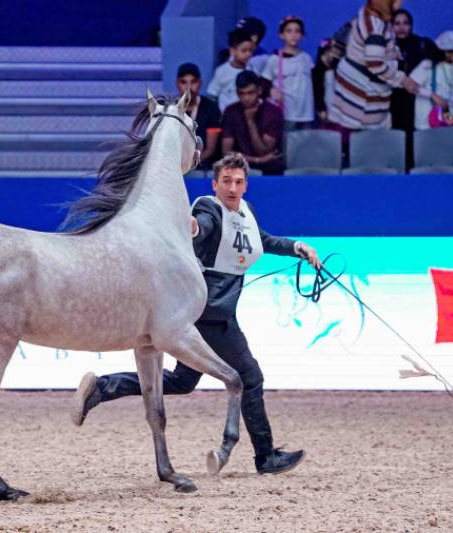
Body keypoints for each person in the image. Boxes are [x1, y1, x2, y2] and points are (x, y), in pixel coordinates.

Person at [72, 152, 322, 475]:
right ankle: (265, 457)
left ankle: (104, 388)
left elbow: (261, 241)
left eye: (239, 182)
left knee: (181, 381)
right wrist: (190, 227)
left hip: (208, 314)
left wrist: (298, 248)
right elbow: (201, 229)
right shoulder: (209, 210)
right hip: (210, 316)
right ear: (215, 184)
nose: (233, 187)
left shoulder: (244, 213)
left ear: (246, 185)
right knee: (250, 377)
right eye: (227, 181)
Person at [333, 0, 421, 130]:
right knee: (366, 138)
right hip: (362, 92)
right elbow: (376, 65)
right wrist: (403, 80)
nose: (401, 3)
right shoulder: (375, 28)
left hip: (363, 86)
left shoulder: (373, 14)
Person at [409, 31, 453, 130]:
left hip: (448, 118)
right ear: (447, 53)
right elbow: (411, 85)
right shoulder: (428, 65)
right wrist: (432, 95)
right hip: (425, 122)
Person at [221, 71, 285, 175]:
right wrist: (257, 160)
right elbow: (226, 152)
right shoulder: (231, 111)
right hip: (239, 166)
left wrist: (250, 121)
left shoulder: (273, 112)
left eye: (250, 93)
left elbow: (263, 151)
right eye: (242, 93)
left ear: (259, 91)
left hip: (269, 168)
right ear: (237, 93)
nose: (246, 98)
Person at [389, 8, 439, 133]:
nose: (402, 27)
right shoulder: (385, 47)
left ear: (411, 25)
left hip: (418, 101)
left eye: (406, 23)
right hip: (392, 103)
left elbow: (441, 59)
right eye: (397, 23)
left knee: (417, 142)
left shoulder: (422, 44)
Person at [261, 16, 315, 131]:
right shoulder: (275, 59)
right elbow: (263, 83)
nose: (293, 35)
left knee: (305, 146)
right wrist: (271, 90)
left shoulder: (307, 58)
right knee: (287, 146)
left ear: (302, 35)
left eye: (297, 31)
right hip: (286, 113)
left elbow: (316, 83)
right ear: (281, 35)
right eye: (289, 31)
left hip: (306, 113)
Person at [175, 63, 221, 168]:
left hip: (201, 164)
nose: (188, 87)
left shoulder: (211, 108)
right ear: (177, 84)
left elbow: (211, 148)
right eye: (183, 82)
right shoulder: (170, 108)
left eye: (193, 82)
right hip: (175, 165)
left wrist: (190, 164)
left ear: (200, 83)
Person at [207, 28, 256, 113]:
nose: (248, 54)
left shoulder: (252, 69)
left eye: (250, 50)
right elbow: (212, 95)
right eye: (244, 51)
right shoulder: (222, 71)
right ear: (232, 51)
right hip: (226, 117)